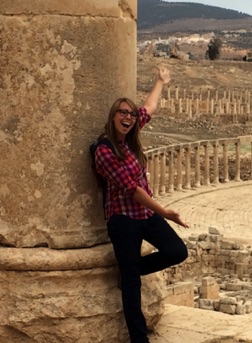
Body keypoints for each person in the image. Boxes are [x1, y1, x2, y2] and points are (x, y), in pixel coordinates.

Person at [95, 66, 189, 343]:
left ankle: (130, 269)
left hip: (144, 213)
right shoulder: (104, 151)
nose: (128, 117)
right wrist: (165, 212)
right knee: (132, 286)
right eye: (122, 112)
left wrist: (161, 81)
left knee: (176, 251)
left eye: (131, 114)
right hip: (123, 218)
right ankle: (139, 340)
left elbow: (149, 107)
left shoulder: (133, 132)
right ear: (112, 117)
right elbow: (132, 189)